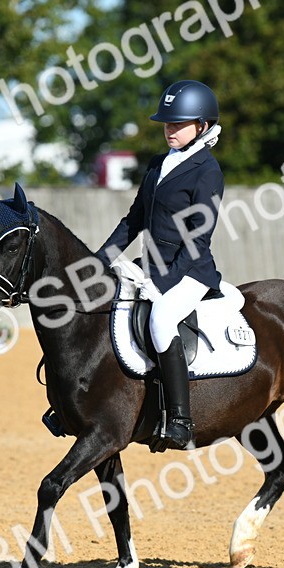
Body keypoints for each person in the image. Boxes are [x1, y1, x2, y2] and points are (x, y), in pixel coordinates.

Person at [96, 80, 225, 452]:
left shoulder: (207, 171)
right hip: (149, 263)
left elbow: (198, 240)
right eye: (167, 124)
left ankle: (180, 420)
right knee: (105, 304)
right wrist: (100, 259)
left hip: (190, 271)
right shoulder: (158, 163)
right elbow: (134, 218)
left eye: (178, 124)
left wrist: (164, 283)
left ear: (202, 125)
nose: (170, 130)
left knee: (162, 319)